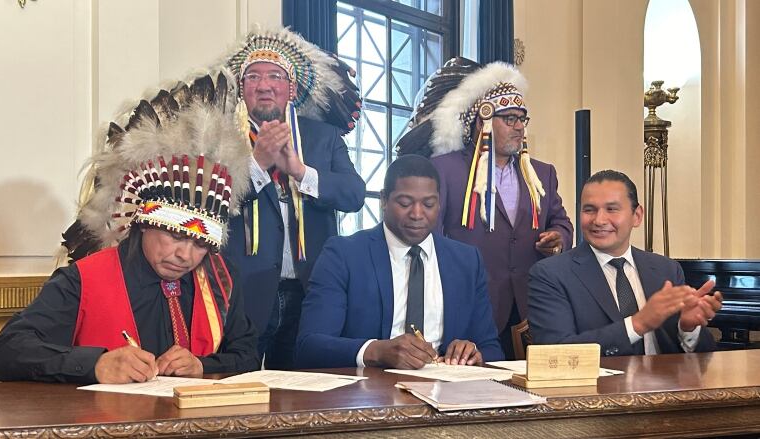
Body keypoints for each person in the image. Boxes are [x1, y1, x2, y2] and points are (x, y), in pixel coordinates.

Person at [0, 99, 260, 383]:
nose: (185, 255)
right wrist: (95, 364)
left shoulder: (219, 280)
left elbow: (248, 354)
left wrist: (203, 366)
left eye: (201, 244)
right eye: (175, 235)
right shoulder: (83, 280)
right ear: (143, 223)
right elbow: (3, 352)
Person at [396, 57, 573, 358]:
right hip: (469, 302)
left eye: (523, 119)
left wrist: (558, 237)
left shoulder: (542, 174)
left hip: (530, 307)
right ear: (483, 121)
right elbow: (431, 236)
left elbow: (562, 223)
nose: (519, 127)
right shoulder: (445, 169)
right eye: (510, 119)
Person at [221, 26, 366, 370]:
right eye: (253, 77)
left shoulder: (323, 137)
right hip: (243, 292)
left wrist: (301, 172)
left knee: (303, 390)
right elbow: (210, 211)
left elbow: (354, 194)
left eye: (275, 76)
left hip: (311, 288)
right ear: (242, 90)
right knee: (240, 388)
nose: (265, 85)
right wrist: (256, 164)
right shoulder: (221, 139)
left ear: (293, 88)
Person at [295, 155, 504, 369]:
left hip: (446, 391)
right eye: (405, 203)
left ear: (439, 203)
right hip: (368, 392)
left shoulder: (466, 261)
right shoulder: (344, 254)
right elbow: (309, 346)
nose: (417, 214)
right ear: (384, 200)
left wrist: (473, 353)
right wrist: (376, 351)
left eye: (428, 204)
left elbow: (492, 349)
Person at [527, 170, 722, 356]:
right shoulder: (551, 274)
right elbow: (554, 354)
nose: (599, 220)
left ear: (636, 216)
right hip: (596, 389)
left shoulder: (666, 269)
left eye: (611, 209)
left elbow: (703, 357)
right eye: (589, 210)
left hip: (665, 387)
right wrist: (638, 324)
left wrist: (688, 328)